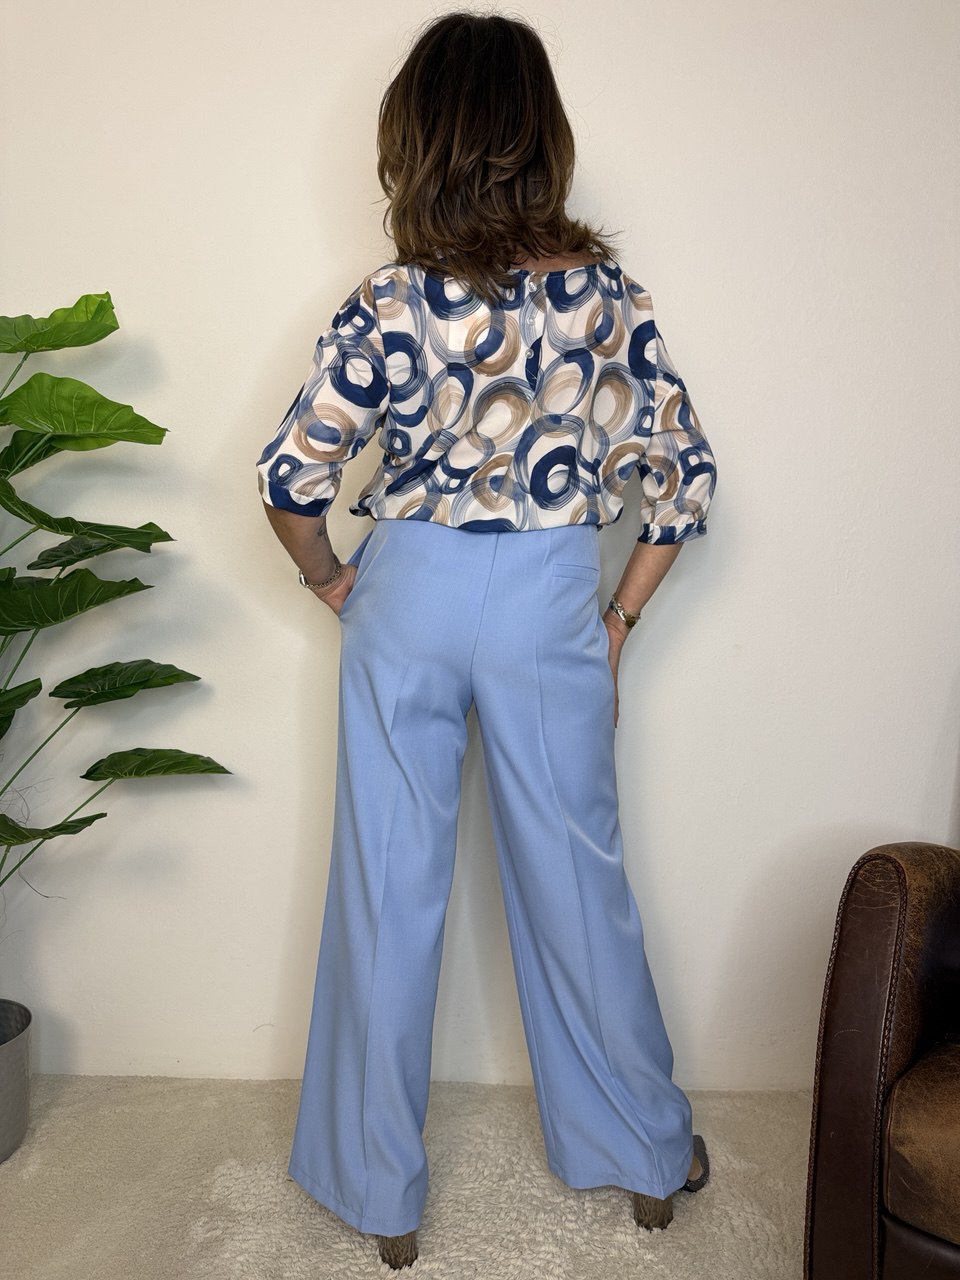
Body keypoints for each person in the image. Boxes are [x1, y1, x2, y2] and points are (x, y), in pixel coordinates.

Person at [257, 10, 717, 1270]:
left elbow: (291, 482)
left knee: (385, 881)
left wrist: (334, 584)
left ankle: (378, 1191)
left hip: (408, 586)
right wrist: (617, 620)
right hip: (549, 596)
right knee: (579, 879)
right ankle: (644, 1154)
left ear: (419, 137)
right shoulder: (604, 298)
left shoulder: (389, 300)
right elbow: (683, 482)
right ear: (541, 136)